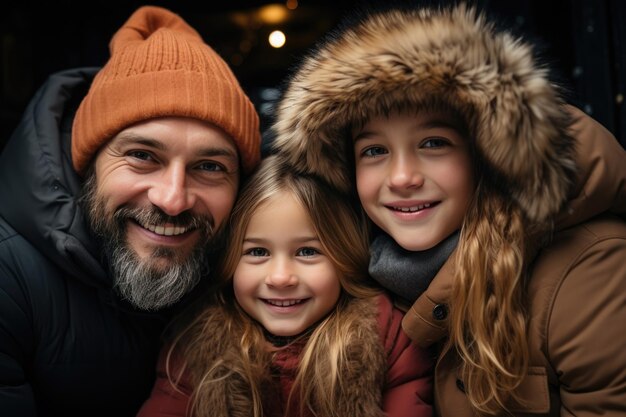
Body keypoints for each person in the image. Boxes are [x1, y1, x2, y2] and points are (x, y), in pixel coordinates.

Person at [270, 3, 626, 416]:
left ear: (489, 154)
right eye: (374, 150)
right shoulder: (359, 278)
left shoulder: (592, 271)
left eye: (434, 143)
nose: (402, 177)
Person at [0, 5, 260, 417]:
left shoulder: (259, 272)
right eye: (142, 156)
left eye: (209, 167)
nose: (173, 200)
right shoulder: (8, 278)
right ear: (87, 164)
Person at [136, 156, 434, 417]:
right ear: (229, 262)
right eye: (257, 252)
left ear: (343, 256)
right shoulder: (195, 343)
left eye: (307, 252)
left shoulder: (390, 337)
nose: (280, 277)